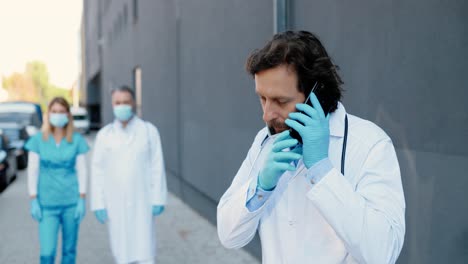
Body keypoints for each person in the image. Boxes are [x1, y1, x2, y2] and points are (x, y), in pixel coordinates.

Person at [217, 31, 406, 263]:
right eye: (262, 98)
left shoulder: (370, 145)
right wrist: (260, 187)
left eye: (280, 101)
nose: (266, 114)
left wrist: (321, 169)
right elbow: (228, 236)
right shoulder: (264, 142)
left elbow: (382, 253)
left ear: (317, 95)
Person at [91, 86, 167, 264]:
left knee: (145, 252)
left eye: (126, 102)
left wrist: (158, 198)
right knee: (121, 252)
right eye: (118, 102)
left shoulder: (148, 131)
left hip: (143, 201)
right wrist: (98, 203)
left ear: (133, 103)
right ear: (112, 104)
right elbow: (97, 171)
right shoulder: (104, 135)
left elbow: (157, 166)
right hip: (114, 202)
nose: (122, 106)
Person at [26, 97, 89, 264]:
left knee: (69, 251)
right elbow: (33, 170)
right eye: (54, 111)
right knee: (47, 252)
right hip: (47, 204)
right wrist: (33, 198)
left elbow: (82, 170)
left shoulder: (76, 140)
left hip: (71, 202)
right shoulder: (38, 140)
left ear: (68, 115)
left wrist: (82, 198)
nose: (58, 115)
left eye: (62, 112)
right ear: (48, 114)